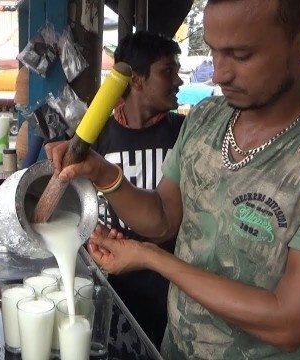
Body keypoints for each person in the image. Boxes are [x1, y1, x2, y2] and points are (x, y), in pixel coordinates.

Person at [46, 0, 300, 358]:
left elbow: (286, 321)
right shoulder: (206, 119)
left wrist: (151, 258)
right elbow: (164, 218)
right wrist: (103, 173)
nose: (218, 74)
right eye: (214, 51)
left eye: (240, 55)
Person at [91, 31, 184, 348]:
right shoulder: (97, 136)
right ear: (136, 80)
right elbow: (78, 202)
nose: (178, 80)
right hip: (114, 284)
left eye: (176, 70)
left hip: (171, 289)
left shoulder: (183, 135)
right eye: (167, 71)